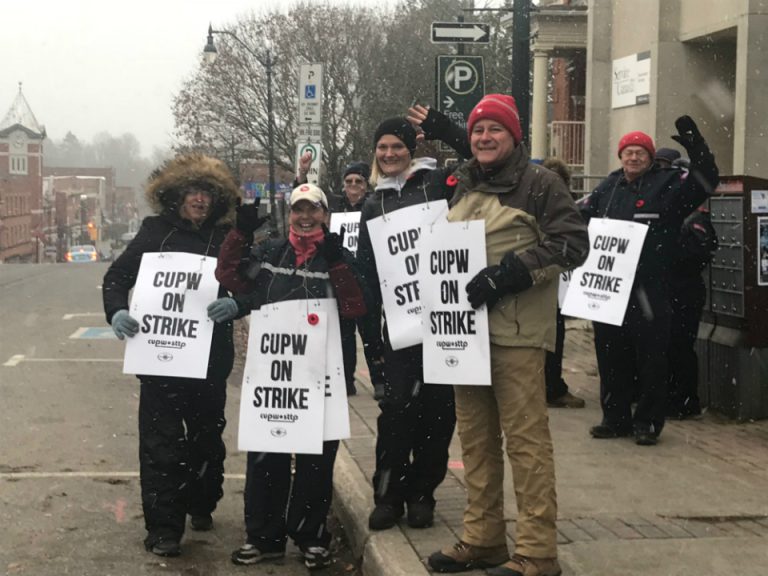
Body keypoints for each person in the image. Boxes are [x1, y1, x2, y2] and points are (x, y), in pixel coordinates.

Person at [416, 95, 588, 576]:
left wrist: (512, 272)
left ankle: (536, 552)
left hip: (516, 335)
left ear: (514, 136)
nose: (484, 138)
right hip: (463, 339)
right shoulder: (464, 185)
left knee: (526, 443)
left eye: (494, 129)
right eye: (477, 131)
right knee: (475, 442)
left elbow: (573, 244)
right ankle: (483, 537)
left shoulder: (541, 184)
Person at [207, 183, 369, 570]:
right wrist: (240, 234)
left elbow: (355, 306)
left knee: (316, 459)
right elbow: (233, 276)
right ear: (290, 214)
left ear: (325, 215)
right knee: (268, 455)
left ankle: (310, 537)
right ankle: (264, 537)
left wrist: (338, 264)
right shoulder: (271, 251)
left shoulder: (338, 255)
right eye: (299, 209)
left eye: (313, 209)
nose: (306, 217)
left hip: (321, 374)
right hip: (275, 374)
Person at [101, 154, 240, 557]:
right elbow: (117, 278)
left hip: (210, 359)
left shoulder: (227, 237)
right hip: (160, 359)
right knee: (161, 445)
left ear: (216, 201)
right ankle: (163, 528)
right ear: (176, 196)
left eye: (207, 194)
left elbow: (250, 279)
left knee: (206, 441)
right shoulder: (154, 232)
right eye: (192, 192)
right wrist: (117, 312)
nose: (199, 200)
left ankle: (201, 502)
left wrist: (237, 303)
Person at [356, 114, 471, 532]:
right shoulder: (373, 203)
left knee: (438, 415)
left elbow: (477, 158)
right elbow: (368, 276)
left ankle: (423, 493)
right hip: (400, 328)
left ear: (412, 149)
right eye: (382, 148)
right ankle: (388, 496)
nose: (389, 154)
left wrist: (445, 129)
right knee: (396, 413)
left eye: (397, 147)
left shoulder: (439, 184)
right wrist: (371, 345)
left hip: (444, 322)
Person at [581, 117, 719, 446]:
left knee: (652, 358)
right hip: (610, 290)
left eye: (640, 152)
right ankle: (615, 418)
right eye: (628, 152)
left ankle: (647, 422)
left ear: (650, 157)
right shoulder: (608, 186)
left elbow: (706, 180)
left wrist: (696, 145)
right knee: (611, 355)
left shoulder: (670, 184)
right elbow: (579, 216)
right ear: (620, 156)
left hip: (652, 289)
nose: (633, 158)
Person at [333, 161, 386, 398]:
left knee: (371, 333)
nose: (353, 185)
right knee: (343, 335)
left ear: (366, 185)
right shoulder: (335, 207)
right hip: (342, 279)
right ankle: (345, 380)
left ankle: (380, 380)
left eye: (358, 181)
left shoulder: (374, 206)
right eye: (349, 181)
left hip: (367, 278)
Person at [541, 157, 586, 409]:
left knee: (554, 338)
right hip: (544, 284)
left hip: (558, 285)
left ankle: (551, 385)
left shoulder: (569, 209)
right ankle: (549, 386)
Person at [667, 204, 718, 418]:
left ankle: (685, 401)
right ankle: (675, 397)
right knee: (671, 346)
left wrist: (669, 249)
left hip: (685, 292)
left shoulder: (696, 220)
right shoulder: (683, 218)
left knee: (680, 346)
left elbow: (698, 253)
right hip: (673, 290)